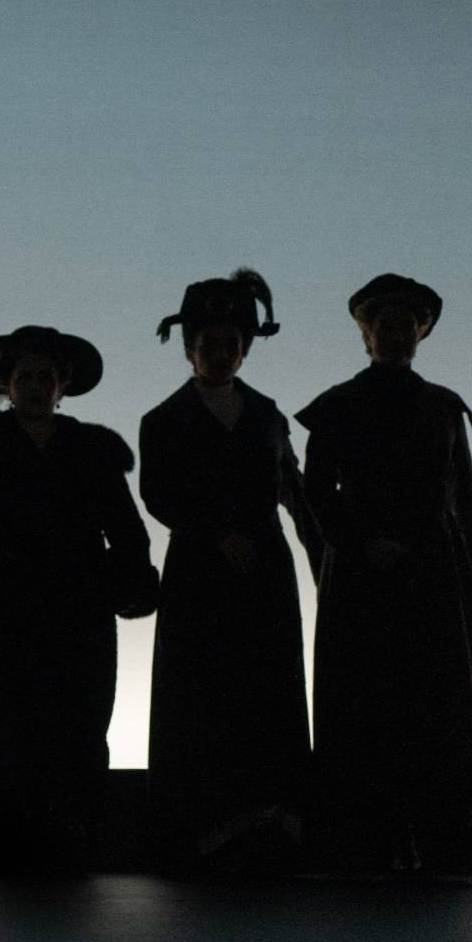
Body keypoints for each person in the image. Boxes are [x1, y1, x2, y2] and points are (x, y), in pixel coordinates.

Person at [0, 325, 156, 869]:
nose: (35, 386)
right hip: (3, 617)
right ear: (7, 385)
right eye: (24, 376)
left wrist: (127, 582)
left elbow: (127, 529)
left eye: (45, 377)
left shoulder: (94, 449)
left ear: (62, 386)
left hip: (76, 617)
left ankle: (75, 852)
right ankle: (6, 855)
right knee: (5, 733)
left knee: (77, 731)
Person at [295, 273, 472, 872]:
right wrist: (359, 543)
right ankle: (366, 832)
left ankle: (436, 828)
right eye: (384, 327)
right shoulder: (338, 405)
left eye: (407, 327)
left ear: (419, 337)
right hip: (360, 575)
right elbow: (314, 492)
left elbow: (465, 490)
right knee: (364, 699)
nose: (396, 335)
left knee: (433, 699)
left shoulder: (442, 407)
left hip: (433, 571)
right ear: (366, 336)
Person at [141, 270, 322, 871]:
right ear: (190, 348)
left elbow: (292, 490)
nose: (220, 353)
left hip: (265, 575)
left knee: (266, 691)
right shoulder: (162, 420)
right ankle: (200, 828)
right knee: (201, 695)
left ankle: (273, 823)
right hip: (199, 576)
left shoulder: (270, 416)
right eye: (208, 343)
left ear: (244, 347)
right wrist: (216, 534)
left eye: (231, 343)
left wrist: (322, 560)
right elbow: (158, 492)